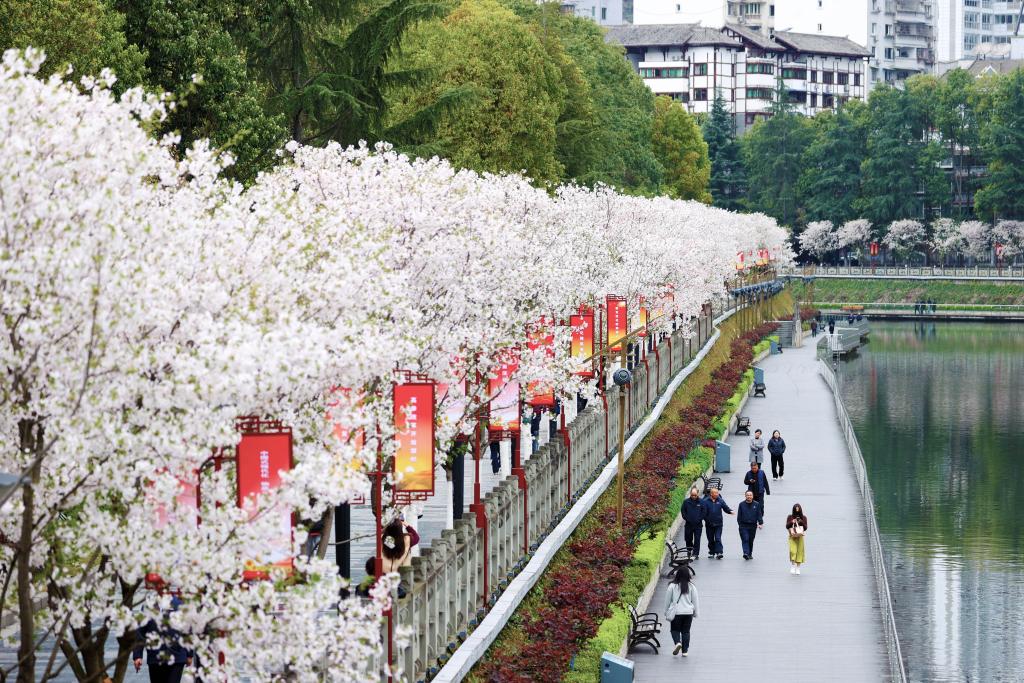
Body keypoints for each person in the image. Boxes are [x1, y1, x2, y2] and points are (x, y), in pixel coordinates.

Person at [132, 598, 192, 683]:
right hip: (155, 657)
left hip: (177, 656)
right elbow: (140, 631)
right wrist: (137, 655)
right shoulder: (149, 604)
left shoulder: (181, 603)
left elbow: (188, 629)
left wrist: (189, 654)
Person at [664, 565, 700, 656]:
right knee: (686, 632)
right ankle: (685, 651)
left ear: (678, 575)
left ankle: (677, 643)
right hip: (688, 613)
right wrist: (696, 613)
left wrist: (666, 612)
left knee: (674, 630)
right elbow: (695, 601)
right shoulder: (692, 586)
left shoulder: (672, 586)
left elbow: (667, 601)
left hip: (676, 613)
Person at [702, 487, 734, 559]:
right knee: (710, 539)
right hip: (709, 524)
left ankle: (719, 552)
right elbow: (703, 512)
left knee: (718, 538)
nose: (717, 494)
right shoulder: (705, 501)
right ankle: (711, 552)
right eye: (715, 493)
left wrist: (730, 511)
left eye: (717, 493)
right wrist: (705, 519)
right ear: (711, 494)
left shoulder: (720, 500)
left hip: (718, 524)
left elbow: (725, 507)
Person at [736, 490, 763, 560]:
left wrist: (760, 523)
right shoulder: (741, 504)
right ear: (745, 496)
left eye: (750, 495)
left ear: (752, 496)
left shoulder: (756, 504)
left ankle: (749, 553)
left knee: (750, 540)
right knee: (745, 539)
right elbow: (739, 516)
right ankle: (745, 553)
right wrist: (740, 524)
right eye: (747, 495)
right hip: (743, 525)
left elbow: (759, 514)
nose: (749, 496)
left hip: (753, 526)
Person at [680, 486, 706, 560]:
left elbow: (704, 512)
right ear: (690, 494)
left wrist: (699, 519)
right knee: (688, 539)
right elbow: (683, 511)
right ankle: (689, 550)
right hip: (688, 524)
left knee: (697, 539)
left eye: (695, 495)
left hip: (698, 525)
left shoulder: (701, 502)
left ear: (697, 494)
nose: (693, 496)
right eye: (692, 495)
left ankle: (695, 553)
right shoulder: (686, 502)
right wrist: (687, 518)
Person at [786, 503, 809, 575]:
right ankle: (793, 565)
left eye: (798, 509)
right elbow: (787, 526)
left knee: (800, 552)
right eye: (796, 509)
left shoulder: (804, 517)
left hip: (800, 536)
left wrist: (801, 522)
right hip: (792, 536)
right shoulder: (790, 516)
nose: (797, 510)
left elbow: (805, 528)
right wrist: (791, 522)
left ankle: (798, 568)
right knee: (793, 550)